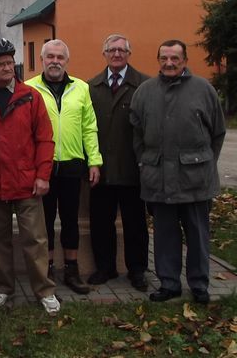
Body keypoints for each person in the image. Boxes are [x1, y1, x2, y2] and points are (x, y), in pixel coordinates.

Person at [0, 38, 59, 315]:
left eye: (9, 62)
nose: (8, 68)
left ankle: (44, 290)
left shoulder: (31, 96)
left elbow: (45, 139)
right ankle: (3, 287)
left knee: (35, 239)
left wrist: (43, 175)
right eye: (1, 64)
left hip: (27, 182)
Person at [130, 40, 225, 305]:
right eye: (164, 58)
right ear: (158, 59)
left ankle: (199, 284)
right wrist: (144, 163)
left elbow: (217, 133)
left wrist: (205, 164)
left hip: (195, 180)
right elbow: (137, 134)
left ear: (185, 60)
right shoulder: (145, 91)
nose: (169, 63)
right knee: (164, 235)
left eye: (175, 58)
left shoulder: (204, 89)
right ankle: (169, 284)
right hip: (158, 178)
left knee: (198, 236)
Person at [26, 39, 102, 295]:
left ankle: (72, 270)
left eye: (60, 57)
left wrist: (94, 160)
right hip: (42, 167)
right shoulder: (29, 88)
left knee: (70, 220)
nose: (55, 61)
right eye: (50, 57)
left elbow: (89, 127)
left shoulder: (81, 88)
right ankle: (46, 271)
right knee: (44, 222)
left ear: (67, 61)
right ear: (42, 60)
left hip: (72, 164)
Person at [87, 34, 150, 290]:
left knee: (135, 224)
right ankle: (105, 268)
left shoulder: (144, 85)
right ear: (104, 54)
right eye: (111, 50)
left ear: (128, 54)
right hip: (101, 169)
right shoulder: (92, 87)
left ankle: (137, 270)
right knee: (101, 223)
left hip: (132, 168)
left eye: (121, 50)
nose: (116, 54)